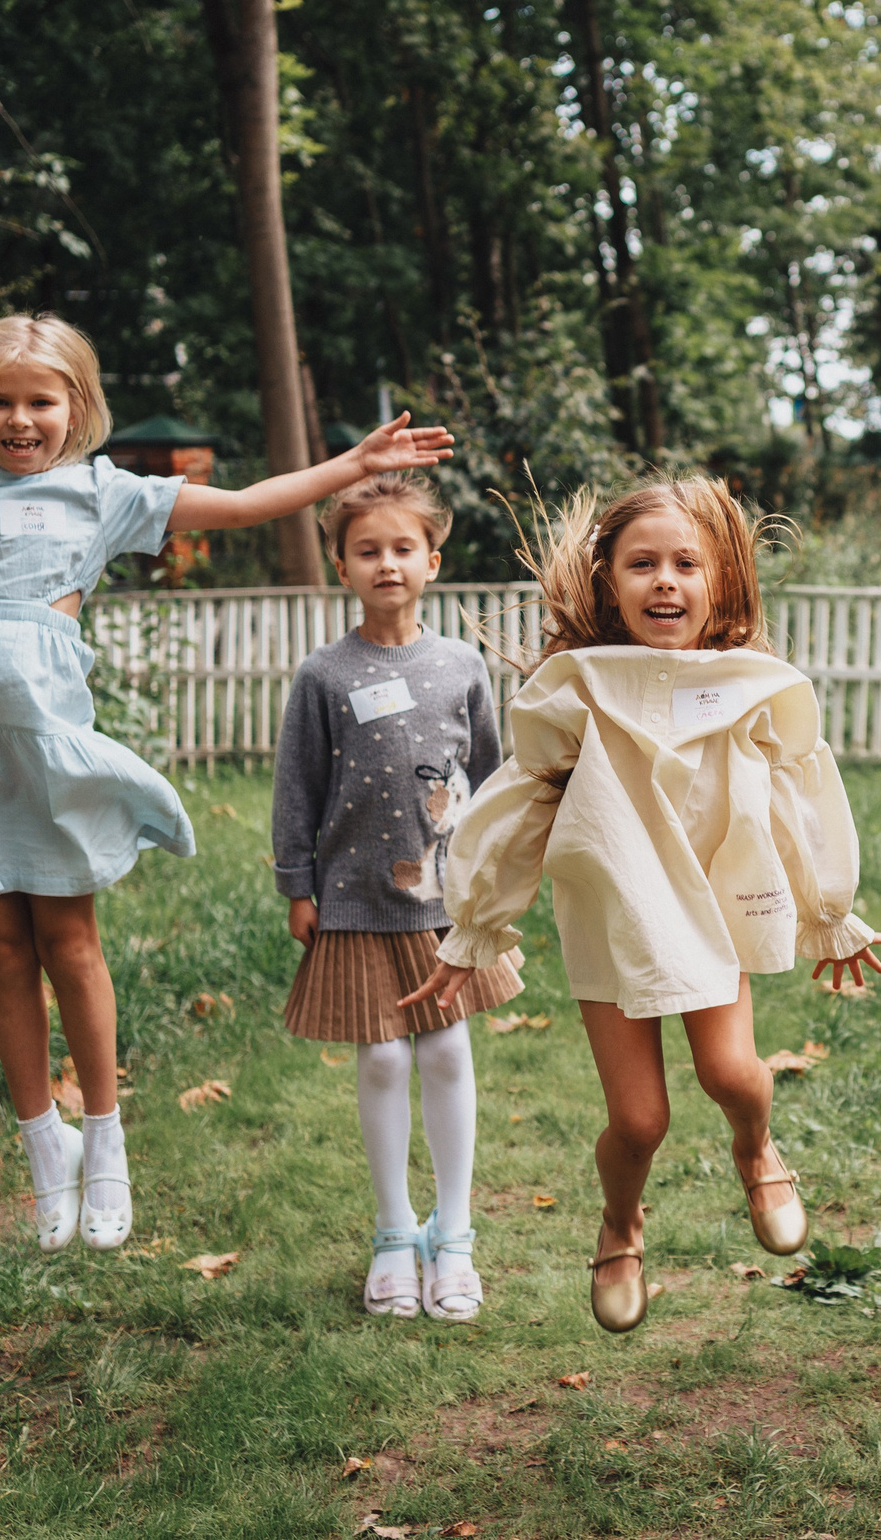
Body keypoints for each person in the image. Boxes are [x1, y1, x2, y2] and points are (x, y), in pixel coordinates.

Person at [0, 314, 453, 1255]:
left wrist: (351, 463)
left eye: (40, 401)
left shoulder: (102, 493)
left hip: (46, 737)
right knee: (3, 950)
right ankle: (41, 1144)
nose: (20, 419)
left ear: (76, 406)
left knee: (68, 938)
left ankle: (105, 1135)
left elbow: (248, 502)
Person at [434, 477, 881, 1333]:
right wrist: (477, 926)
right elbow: (520, 801)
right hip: (610, 908)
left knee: (730, 1073)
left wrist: (828, 909)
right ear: (608, 578)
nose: (666, 581)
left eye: (687, 563)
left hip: (713, 904)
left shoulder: (750, 684)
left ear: (720, 580)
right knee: (639, 1118)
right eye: (642, 563)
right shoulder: (575, 688)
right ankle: (620, 1222)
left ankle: (756, 1149)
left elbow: (798, 794)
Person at [272, 472, 520, 1321]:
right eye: (367, 549)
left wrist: (496, 885)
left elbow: (492, 783)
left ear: (432, 561)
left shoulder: (461, 666)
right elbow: (296, 789)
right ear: (341, 564)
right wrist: (295, 883)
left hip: (443, 904)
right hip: (351, 899)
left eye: (402, 548)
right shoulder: (323, 674)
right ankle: (392, 1233)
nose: (387, 563)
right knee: (380, 1058)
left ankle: (453, 1238)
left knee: (447, 1052)